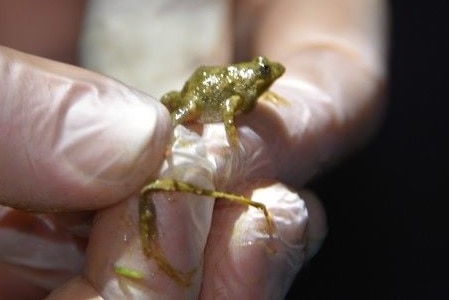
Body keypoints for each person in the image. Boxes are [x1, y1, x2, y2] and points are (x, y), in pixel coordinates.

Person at [0, 1, 388, 299]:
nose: (273, 75)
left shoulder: (256, 81)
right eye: (267, 73)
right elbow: (232, 108)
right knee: (168, 129)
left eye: (267, 71)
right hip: (198, 94)